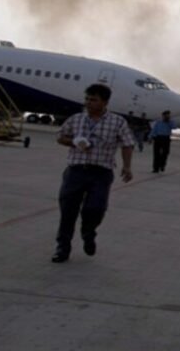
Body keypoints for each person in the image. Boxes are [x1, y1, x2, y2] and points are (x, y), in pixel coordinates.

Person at [52, 83, 134, 263]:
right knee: (68, 211)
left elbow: (127, 143)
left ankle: (88, 233)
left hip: (101, 173)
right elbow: (60, 136)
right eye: (87, 99)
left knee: (96, 209)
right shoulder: (76, 119)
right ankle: (62, 248)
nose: (88, 103)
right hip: (76, 171)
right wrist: (74, 142)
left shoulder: (117, 122)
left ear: (105, 102)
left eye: (93, 100)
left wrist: (127, 166)